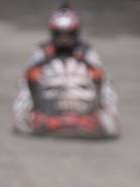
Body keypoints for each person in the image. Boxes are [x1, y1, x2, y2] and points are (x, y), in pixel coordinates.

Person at [12, 5, 119, 136]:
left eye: (68, 34)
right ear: (53, 32)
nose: (64, 40)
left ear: (75, 32)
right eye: (60, 34)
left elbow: (101, 77)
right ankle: (27, 115)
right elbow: (28, 78)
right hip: (49, 106)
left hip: (82, 105)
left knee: (105, 78)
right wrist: (44, 63)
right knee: (27, 77)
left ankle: (105, 114)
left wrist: (86, 64)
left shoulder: (87, 52)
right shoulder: (42, 52)